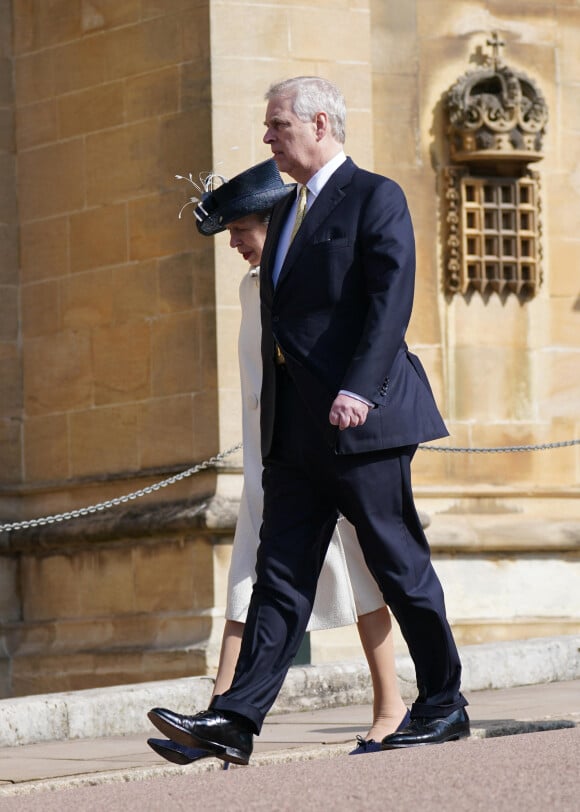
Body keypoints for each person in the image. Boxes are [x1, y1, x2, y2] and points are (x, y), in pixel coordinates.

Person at [148, 77, 469, 766]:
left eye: (276, 126)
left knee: (398, 564)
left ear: (320, 123)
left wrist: (361, 388)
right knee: (281, 576)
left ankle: (444, 702)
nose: (266, 138)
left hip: (363, 423)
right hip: (294, 436)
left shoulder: (375, 196)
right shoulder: (287, 212)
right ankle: (235, 719)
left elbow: (390, 300)